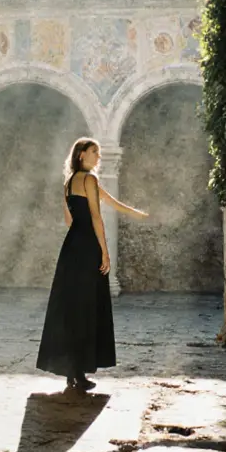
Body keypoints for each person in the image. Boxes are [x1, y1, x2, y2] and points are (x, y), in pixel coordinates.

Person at [37, 138, 148, 392]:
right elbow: (97, 217)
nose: (99, 156)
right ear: (82, 154)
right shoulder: (90, 180)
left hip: (71, 247)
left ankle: (72, 371)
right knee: (86, 307)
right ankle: (79, 371)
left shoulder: (69, 182)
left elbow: (72, 218)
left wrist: (136, 213)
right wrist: (104, 252)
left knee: (71, 307)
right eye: (95, 152)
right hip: (88, 247)